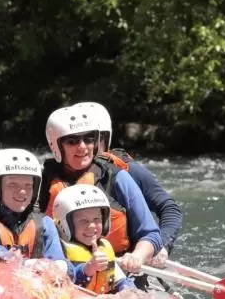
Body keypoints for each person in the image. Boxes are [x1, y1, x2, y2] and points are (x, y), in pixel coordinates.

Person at [39, 106, 163, 276]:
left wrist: (137, 256)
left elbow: (150, 233)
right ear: (57, 146)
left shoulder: (117, 178)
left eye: (89, 139)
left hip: (117, 272)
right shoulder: (44, 181)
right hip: (64, 271)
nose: (83, 147)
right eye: (72, 141)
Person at [73, 101, 184, 264]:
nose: (83, 146)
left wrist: (162, 246)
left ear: (105, 139)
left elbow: (169, 208)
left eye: (92, 137)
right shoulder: (56, 175)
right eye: (74, 140)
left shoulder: (126, 172)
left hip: (125, 263)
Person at [0, 148, 66, 263]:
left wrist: (62, 266)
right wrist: (21, 261)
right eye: (12, 185)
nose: (22, 192)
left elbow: (59, 260)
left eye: (28, 185)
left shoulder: (45, 223)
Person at [52, 185, 135, 294]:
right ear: (64, 223)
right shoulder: (58, 250)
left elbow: (120, 281)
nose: (92, 226)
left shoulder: (104, 248)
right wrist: (88, 269)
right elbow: (62, 286)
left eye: (97, 219)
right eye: (83, 221)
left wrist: (130, 291)